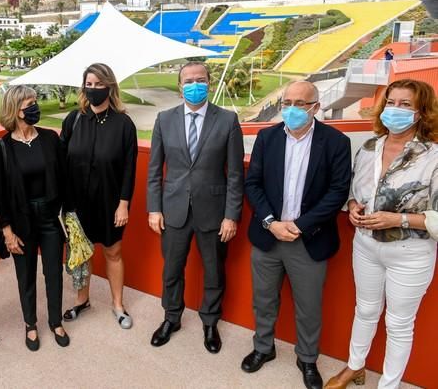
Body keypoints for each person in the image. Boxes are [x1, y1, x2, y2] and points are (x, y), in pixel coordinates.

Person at [325, 79, 438, 389]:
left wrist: (398, 219)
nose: (395, 110)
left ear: (421, 112)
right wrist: (352, 206)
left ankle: (389, 385)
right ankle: (355, 367)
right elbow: (354, 190)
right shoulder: (370, 147)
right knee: (365, 310)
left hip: (410, 255)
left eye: (405, 105)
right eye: (391, 102)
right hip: (365, 246)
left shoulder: (434, 155)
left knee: (399, 324)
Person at [243, 81, 351, 389]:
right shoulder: (267, 137)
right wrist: (270, 222)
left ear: (316, 107)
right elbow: (254, 184)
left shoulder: (336, 142)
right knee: (263, 300)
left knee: (308, 306)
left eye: (299, 103)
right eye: (286, 102)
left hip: (309, 239)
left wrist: (300, 225)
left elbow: (337, 192)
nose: (291, 109)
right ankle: (263, 348)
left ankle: (307, 358)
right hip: (268, 236)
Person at [147, 62, 244, 353]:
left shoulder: (228, 120)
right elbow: (154, 170)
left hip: (213, 212)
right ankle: (171, 318)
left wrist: (231, 215)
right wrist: (154, 208)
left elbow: (236, 174)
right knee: (172, 270)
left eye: (200, 80)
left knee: (214, 271)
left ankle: (210, 322)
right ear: (179, 86)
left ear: (209, 83)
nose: (194, 84)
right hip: (173, 209)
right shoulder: (164, 119)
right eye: (188, 80)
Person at [0, 85, 69, 351]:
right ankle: (30, 324)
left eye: (35, 101)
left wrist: (68, 214)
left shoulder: (49, 138)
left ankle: (55, 321)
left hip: (49, 218)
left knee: (53, 272)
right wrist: (6, 230)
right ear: (15, 109)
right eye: (29, 104)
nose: (35, 107)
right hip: (20, 222)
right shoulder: (1, 148)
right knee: (25, 275)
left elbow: (64, 179)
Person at [61, 63, 138, 329]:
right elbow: (61, 161)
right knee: (81, 254)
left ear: (110, 86)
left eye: (98, 84)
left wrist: (124, 204)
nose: (93, 89)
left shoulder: (124, 124)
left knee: (112, 252)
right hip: (76, 203)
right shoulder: (73, 119)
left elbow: (130, 168)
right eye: (89, 84)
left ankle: (118, 304)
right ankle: (82, 300)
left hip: (110, 203)